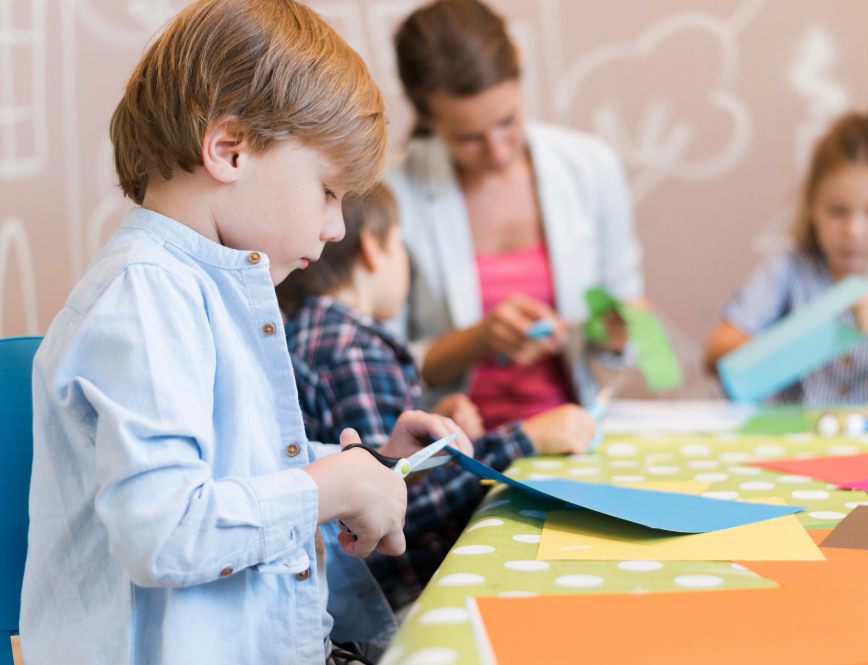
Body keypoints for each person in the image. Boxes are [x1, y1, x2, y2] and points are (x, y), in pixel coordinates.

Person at [20, 2, 471, 663]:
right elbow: (165, 529)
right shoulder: (143, 297)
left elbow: (233, 469)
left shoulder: (202, 291)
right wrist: (335, 486)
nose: (338, 227)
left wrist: (369, 464)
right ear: (229, 149)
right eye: (327, 191)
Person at [279, 183, 596, 612]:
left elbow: (383, 464)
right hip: (397, 601)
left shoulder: (312, 336)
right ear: (374, 247)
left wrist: (437, 444)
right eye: (400, 244)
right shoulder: (351, 351)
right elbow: (396, 505)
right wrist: (526, 440)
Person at [385, 0, 646, 425]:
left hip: (570, 431)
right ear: (427, 117)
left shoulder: (592, 167)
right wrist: (477, 341)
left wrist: (616, 332)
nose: (498, 152)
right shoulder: (390, 191)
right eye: (468, 138)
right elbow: (380, 366)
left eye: (508, 121)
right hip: (455, 448)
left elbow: (621, 337)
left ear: (520, 66)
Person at [704, 110, 868, 403]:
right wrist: (789, 343)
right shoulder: (787, 269)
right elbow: (716, 354)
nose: (854, 231)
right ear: (812, 206)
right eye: (837, 211)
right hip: (804, 442)